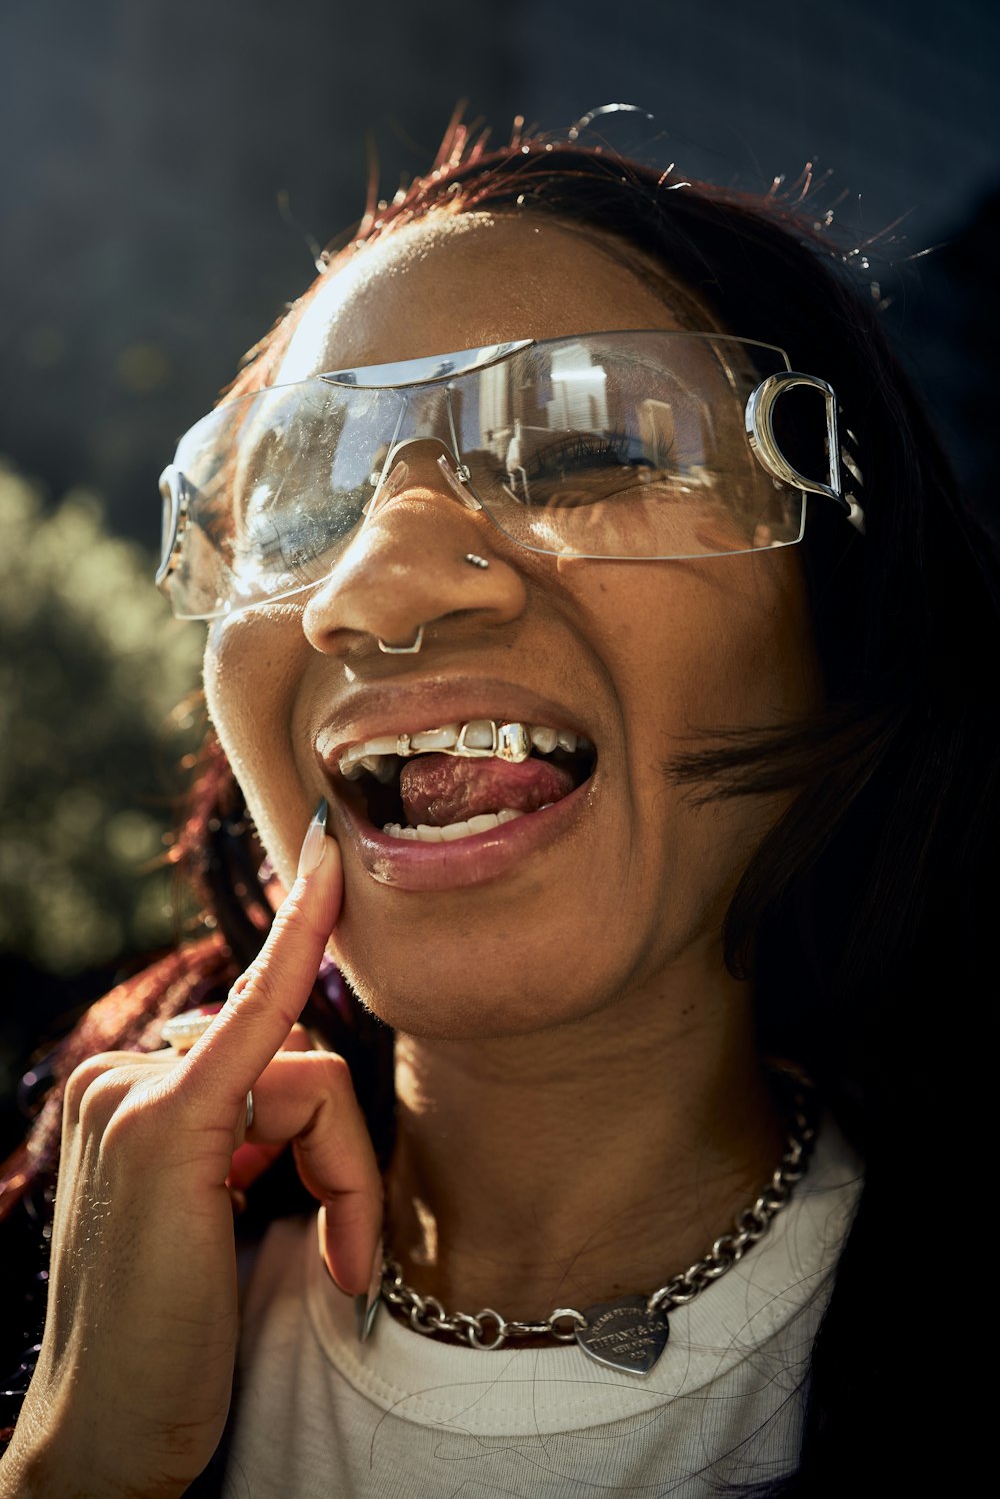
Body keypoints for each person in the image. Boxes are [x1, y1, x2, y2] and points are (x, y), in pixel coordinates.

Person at [0, 110, 994, 1498]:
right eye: (299, 507)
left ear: (844, 625)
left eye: (589, 451)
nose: (376, 588)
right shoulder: (49, 1274)